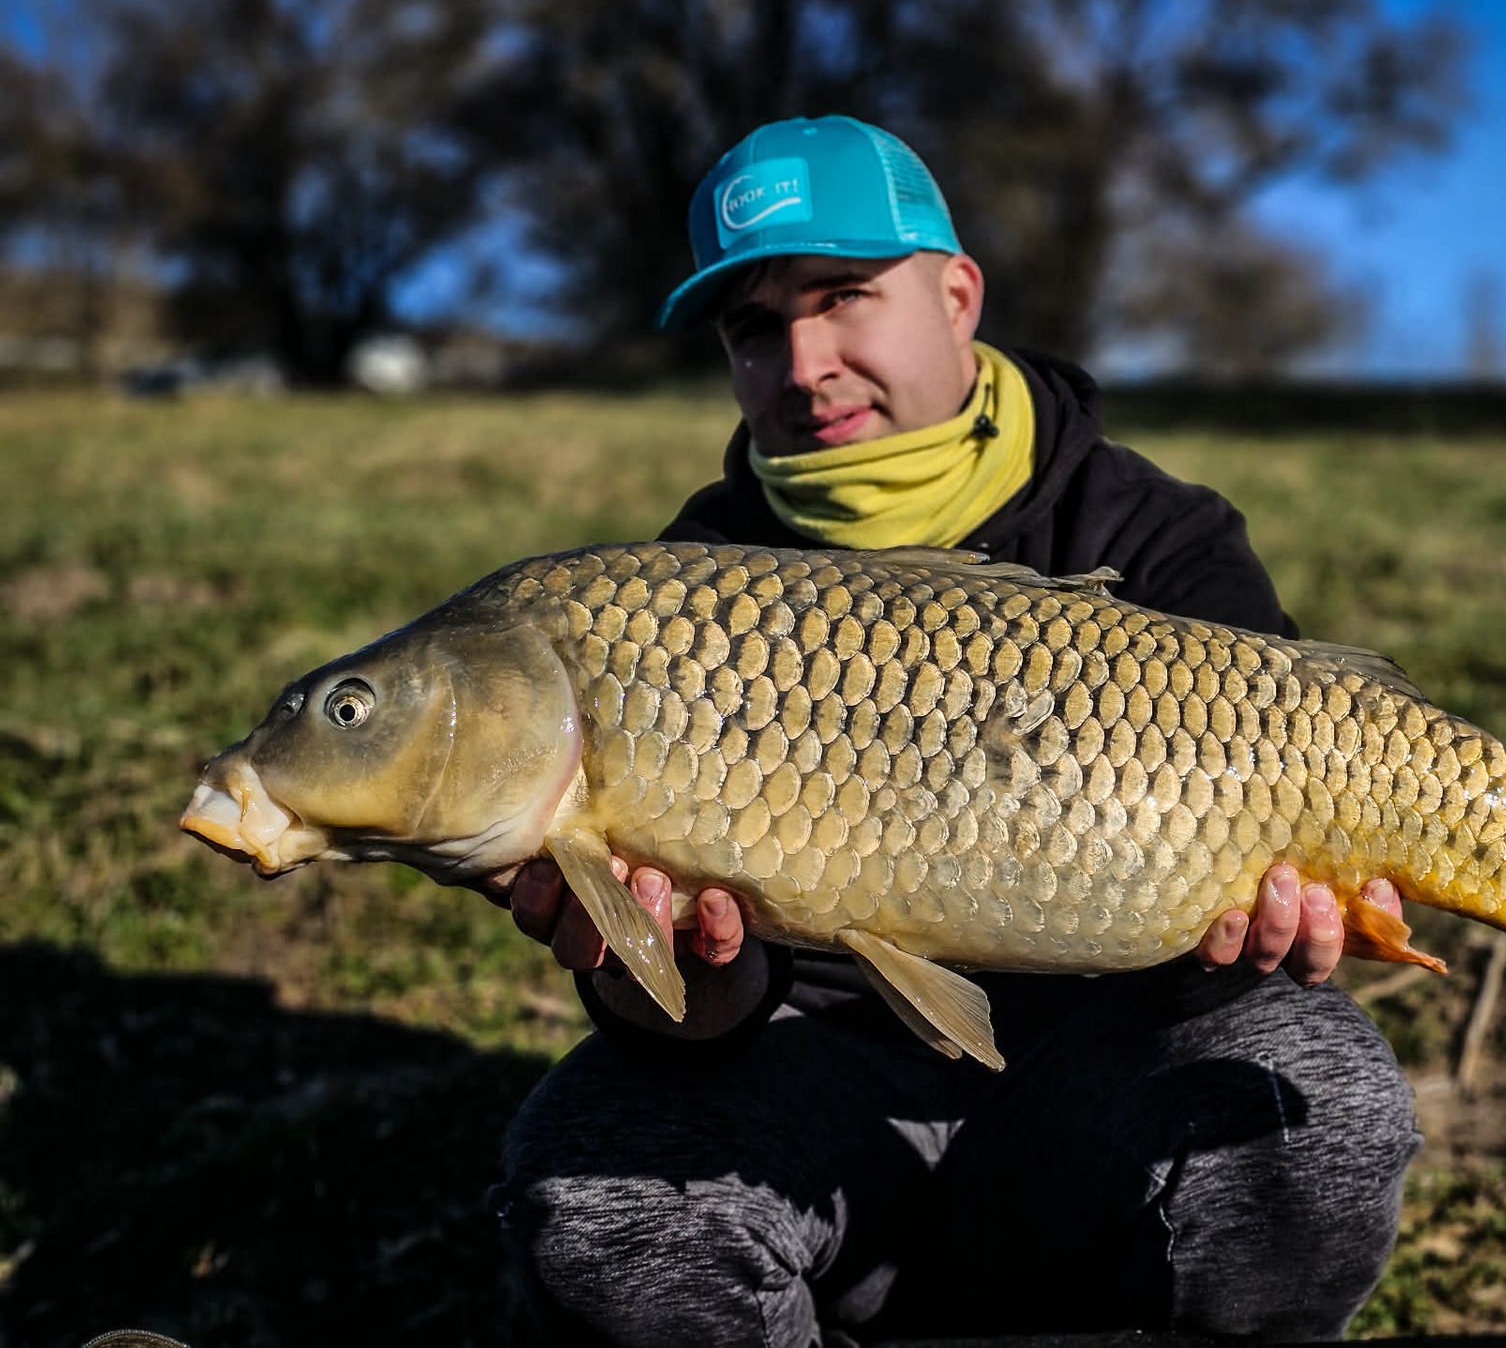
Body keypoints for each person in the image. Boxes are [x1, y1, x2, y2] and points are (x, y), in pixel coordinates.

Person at [490, 115, 1422, 1345]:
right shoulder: (684, 591)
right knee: (593, 1175)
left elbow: (1233, 930)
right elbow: (699, 1021)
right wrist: (685, 976)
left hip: (1101, 1081)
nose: (805, 360)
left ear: (957, 293)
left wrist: (1246, 940)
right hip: (811, 1095)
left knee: (1320, 1093)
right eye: (753, 328)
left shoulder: (1158, 538)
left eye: (844, 298)